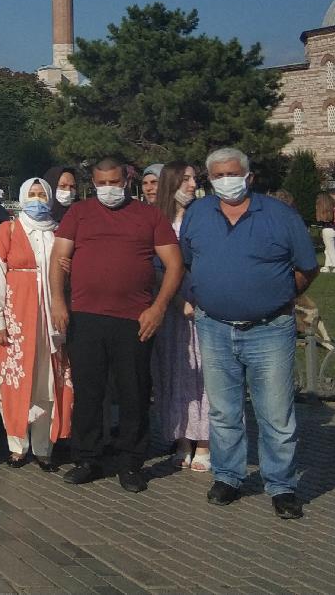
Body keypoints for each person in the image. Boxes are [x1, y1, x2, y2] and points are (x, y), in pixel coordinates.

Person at [181, 147, 317, 519]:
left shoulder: (280, 215)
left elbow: (307, 267)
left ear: (249, 177)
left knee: (275, 413)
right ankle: (228, 476)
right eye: (218, 175)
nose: (227, 181)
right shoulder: (198, 214)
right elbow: (188, 262)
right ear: (210, 180)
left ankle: (282, 485)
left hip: (269, 329)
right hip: (214, 326)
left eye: (233, 173)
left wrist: (281, 294)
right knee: (224, 411)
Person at [49, 158, 183, 493]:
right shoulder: (79, 213)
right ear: (93, 184)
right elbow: (58, 259)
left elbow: (174, 264)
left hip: (134, 319)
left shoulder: (149, 216)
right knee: (89, 390)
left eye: (114, 182)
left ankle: (131, 462)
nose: (108, 189)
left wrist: (158, 308)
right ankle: (87, 458)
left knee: (133, 391)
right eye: (101, 183)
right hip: (86, 316)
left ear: (127, 181)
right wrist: (58, 301)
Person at [0, 177, 72, 470]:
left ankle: (44, 447)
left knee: (48, 381)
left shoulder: (60, 232)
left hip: (51, 321)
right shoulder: (7, 230)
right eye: (31, 194)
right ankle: (17, 445)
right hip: (16, 319)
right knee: (17, 379)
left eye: (41, 194)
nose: (36, 199)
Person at [149, 161, 210, 472]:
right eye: (185, 179)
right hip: (170, 303)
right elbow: (152, 264)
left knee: (204, 372)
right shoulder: (156, 219)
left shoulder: (203, 216)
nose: (192, 184)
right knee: (175, 370)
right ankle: (182, 437)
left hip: (202, 300)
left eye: (194, 179)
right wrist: (174, 299)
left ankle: (206, 441)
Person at [315, 191, 335, 274]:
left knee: (330, 249)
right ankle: (327, 266)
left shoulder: (324, 208)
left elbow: (321, 220)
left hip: (328, 230)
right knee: (328, 250)